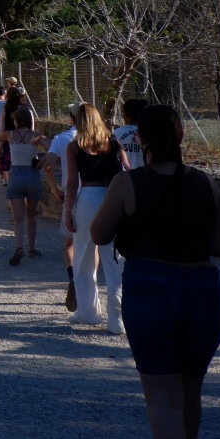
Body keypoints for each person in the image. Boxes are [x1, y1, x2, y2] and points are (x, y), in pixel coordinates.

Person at [91, 105, 220, 439]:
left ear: (142, 139)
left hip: (151, 288)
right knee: (191, 392)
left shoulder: (128, 183)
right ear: (183, 135)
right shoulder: (207, 184)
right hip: (203, 287)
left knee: (162, 399)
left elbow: (99, 234)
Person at [66, 103, 128, 332]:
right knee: (115, 259)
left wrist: (67, 212)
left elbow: (72, 183)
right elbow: (127, 170)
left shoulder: (75, 147)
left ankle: (88, 313)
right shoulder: (113, 143)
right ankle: (117, 319)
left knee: (83, 258)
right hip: (112, 197)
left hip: (88, 198)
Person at [2, 88, 45, 267]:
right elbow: (51, 149)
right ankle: (32, 247)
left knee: (18, 218)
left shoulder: (10, 135)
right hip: (32, 174)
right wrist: (42, 164)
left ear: (16, 121)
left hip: (15, 175)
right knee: (32, 216)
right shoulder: (36, 136)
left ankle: (18, 247)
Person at [43, 105, 81, 310]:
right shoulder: (101, 137)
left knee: (69, 243)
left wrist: (55, 189)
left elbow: (47, 166)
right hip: (96, 193)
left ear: (71, 119)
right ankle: (87, 282)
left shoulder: (62, 139)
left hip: (70, 194)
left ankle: (73, 276)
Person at [116, 97, 148, 168]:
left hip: (126, 176)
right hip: (147, 174)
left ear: (126, 114)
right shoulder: (149, 132)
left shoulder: (117, 133)